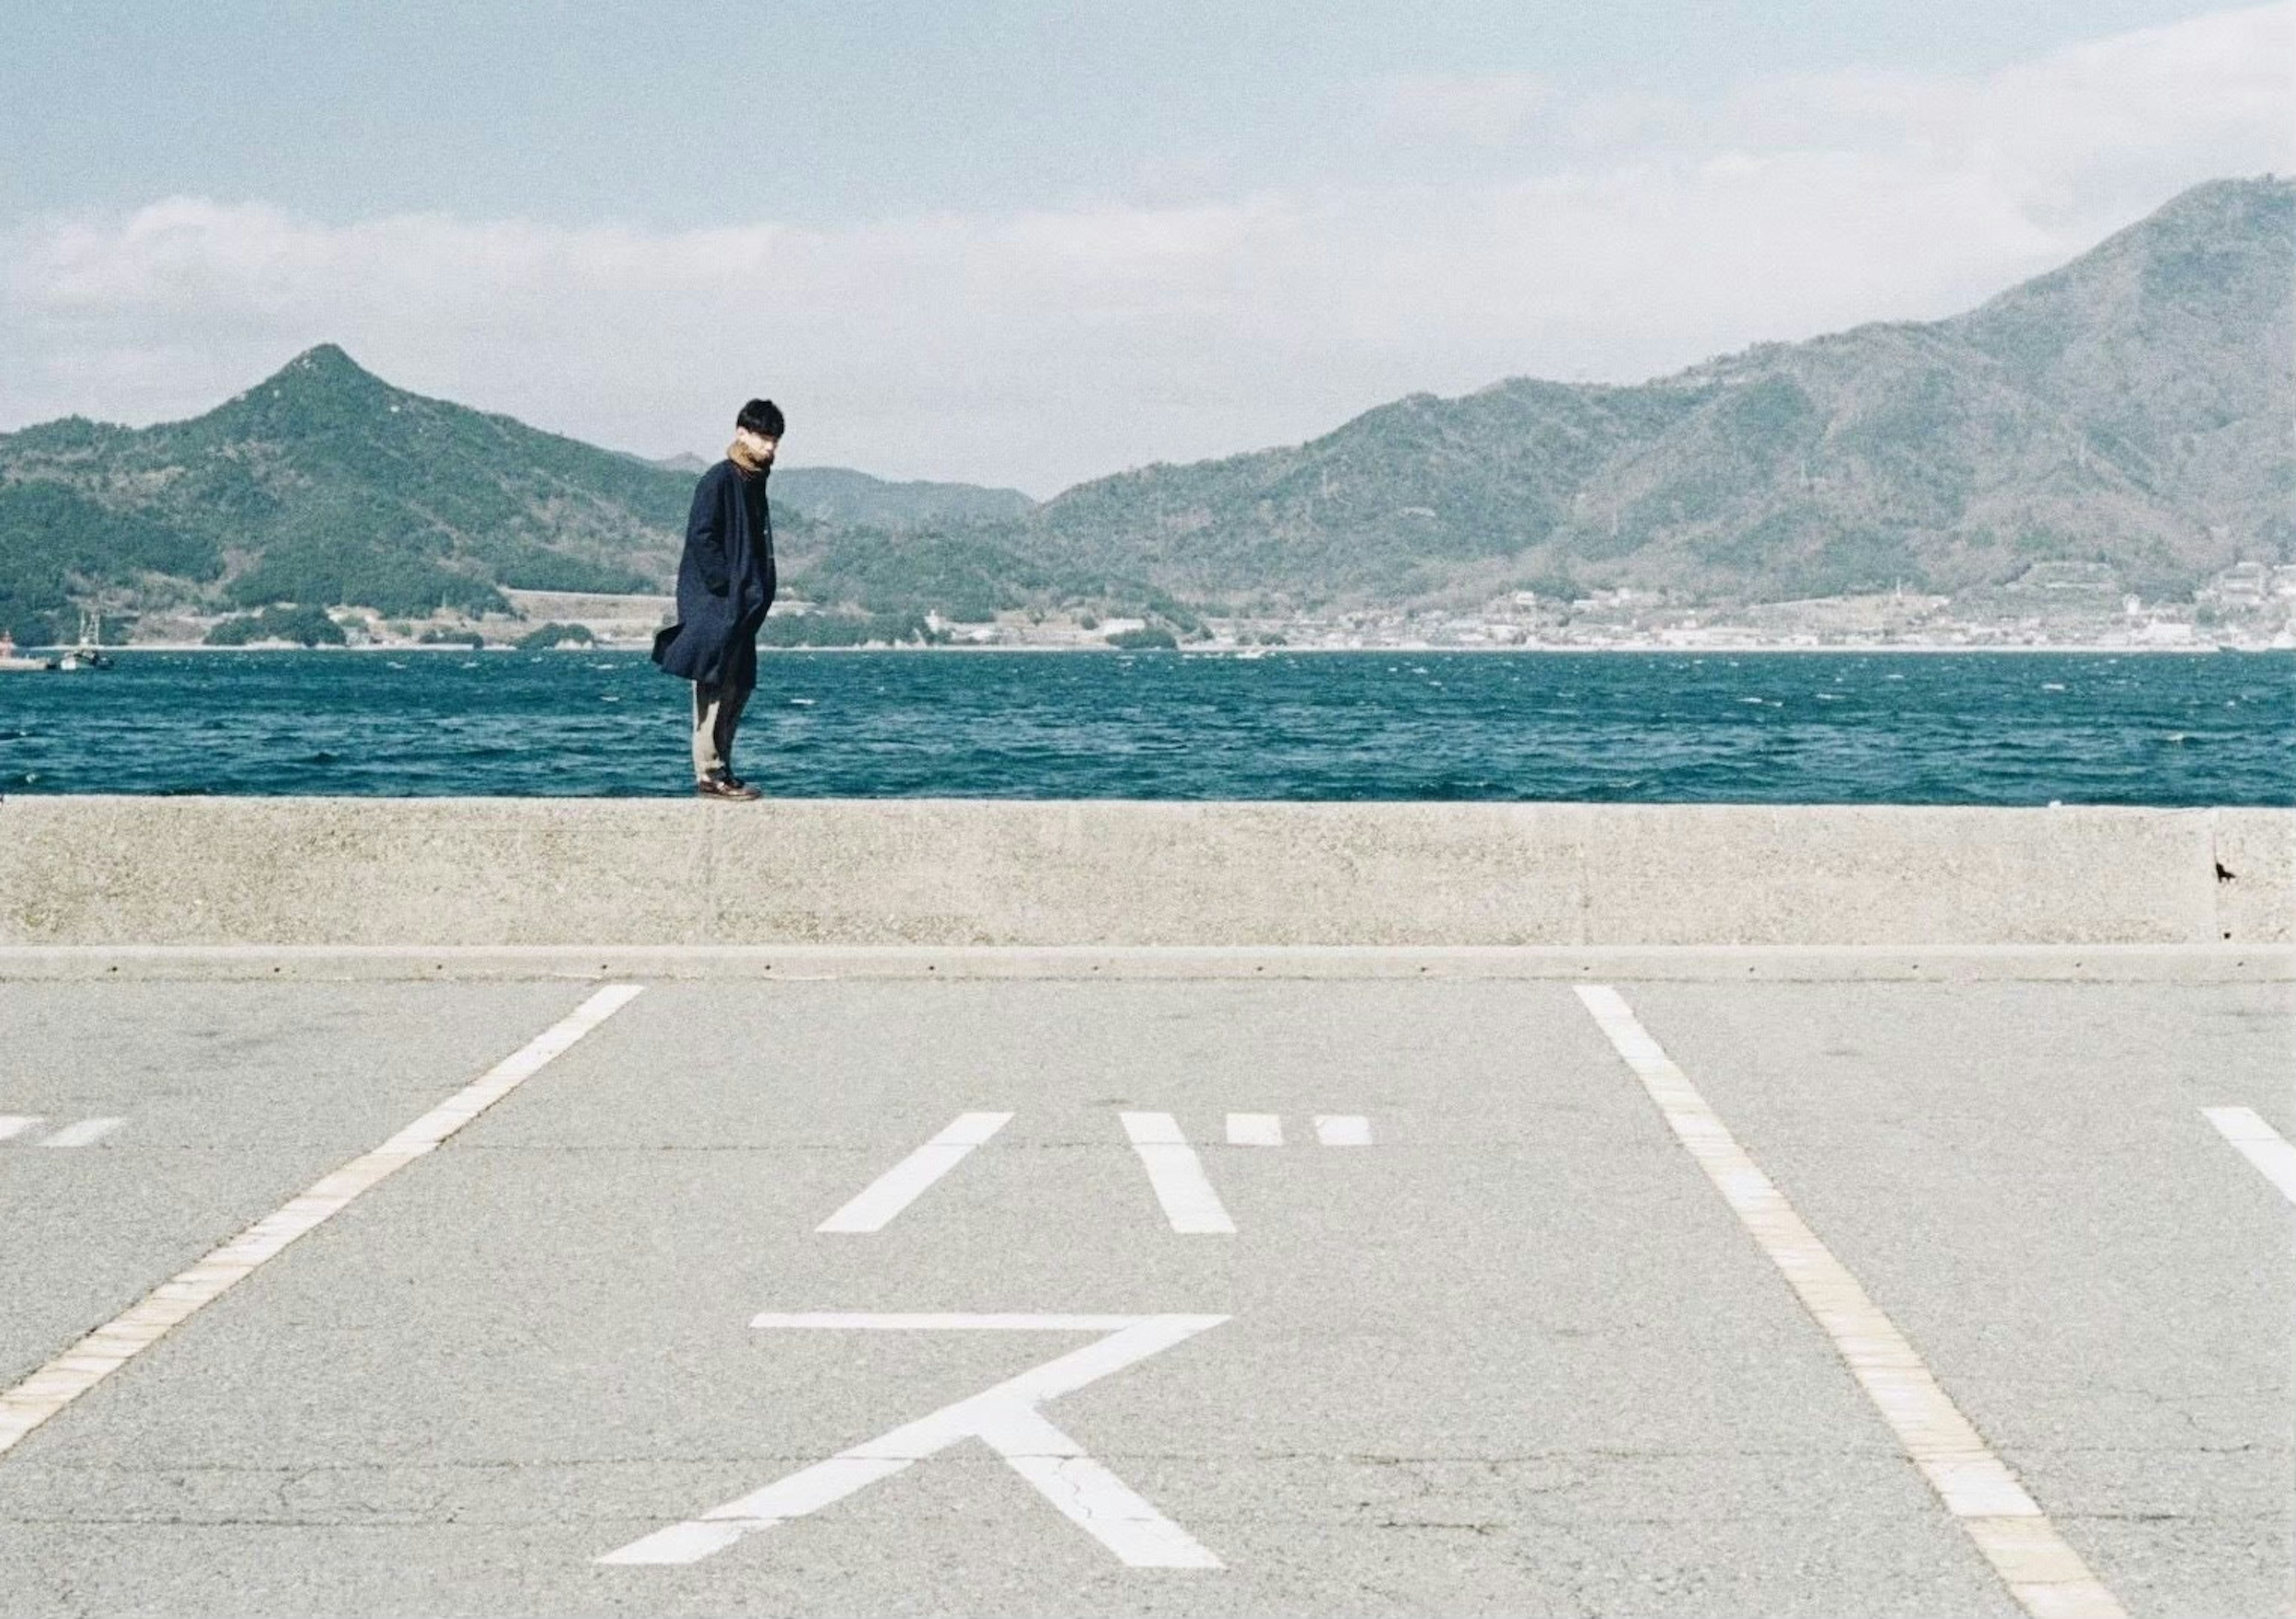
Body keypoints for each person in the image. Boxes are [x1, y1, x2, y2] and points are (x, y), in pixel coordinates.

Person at [652, 399, 781, 798]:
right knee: (713, 687)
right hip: (719, 607)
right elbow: (702, 537)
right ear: (742, 433)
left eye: (775, 440)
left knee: (738, 687)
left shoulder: (752, 481)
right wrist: (729, 588)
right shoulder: (720, 480)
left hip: (741, 608)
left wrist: (753, 592)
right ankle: (710, 772)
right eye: (764, 438)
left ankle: (722, 768)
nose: (771, 448)